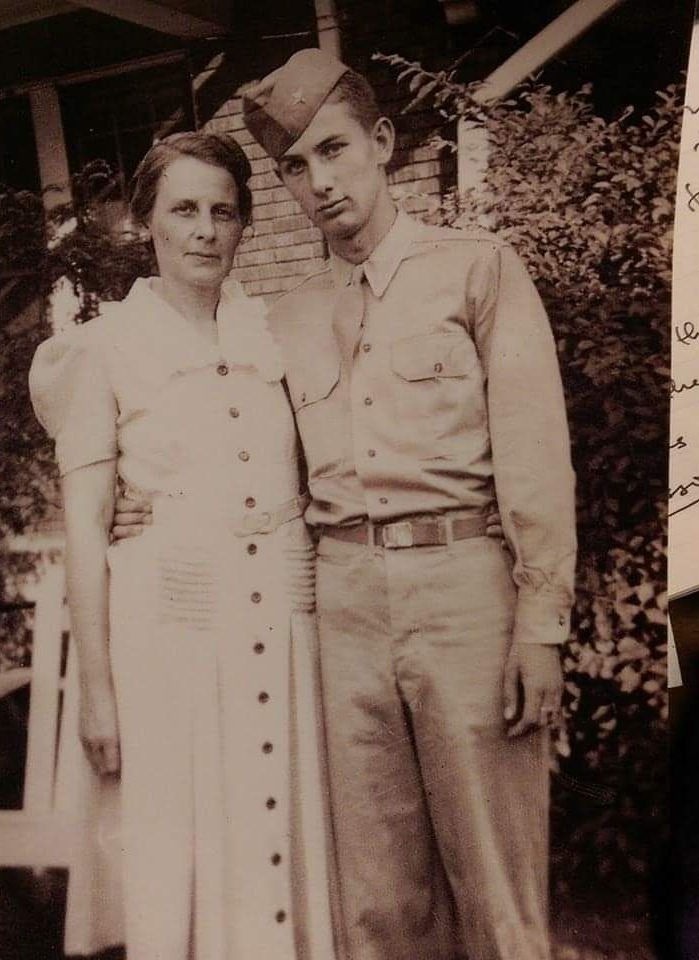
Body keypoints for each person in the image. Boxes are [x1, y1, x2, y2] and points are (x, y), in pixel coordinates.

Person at [114, 49, 576, 960]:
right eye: (294, 166)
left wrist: (542, 624)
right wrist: (136, 504)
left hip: (464, 594)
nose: (317, 182)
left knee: (497, 888)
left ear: (383, 142)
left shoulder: (475, 271)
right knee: (374, 898)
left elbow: (535, 458)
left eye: (333, 151)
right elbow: (226, 438)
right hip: (342, 608)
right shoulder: (275, 320)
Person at [29, 131, 336, 960]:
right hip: (171, 636)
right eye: (184, 210)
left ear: (242, 228)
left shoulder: (273, 338)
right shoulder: (103, 348)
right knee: (184, 859)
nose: (205, 230)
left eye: (223, 212)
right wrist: (96, 690)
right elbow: (87, 527)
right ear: (146, 223)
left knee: (282, 845)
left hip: (281, 626)